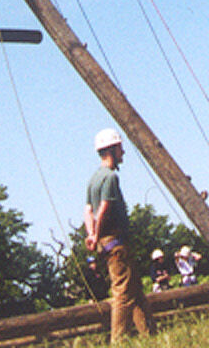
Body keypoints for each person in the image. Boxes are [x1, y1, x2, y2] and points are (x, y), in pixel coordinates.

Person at [84, 128, 155, 341]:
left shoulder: (94, 178)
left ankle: (150, 336)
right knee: (123, 293)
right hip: (116, 244)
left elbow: (88, 210)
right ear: (112, 150)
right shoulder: (111, 177)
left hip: (106, 243)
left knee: (135, 290)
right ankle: (118, 340)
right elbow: (103, 208)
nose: (123, 152)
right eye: (120, 148)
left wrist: (91, 235)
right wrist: (96, 233)